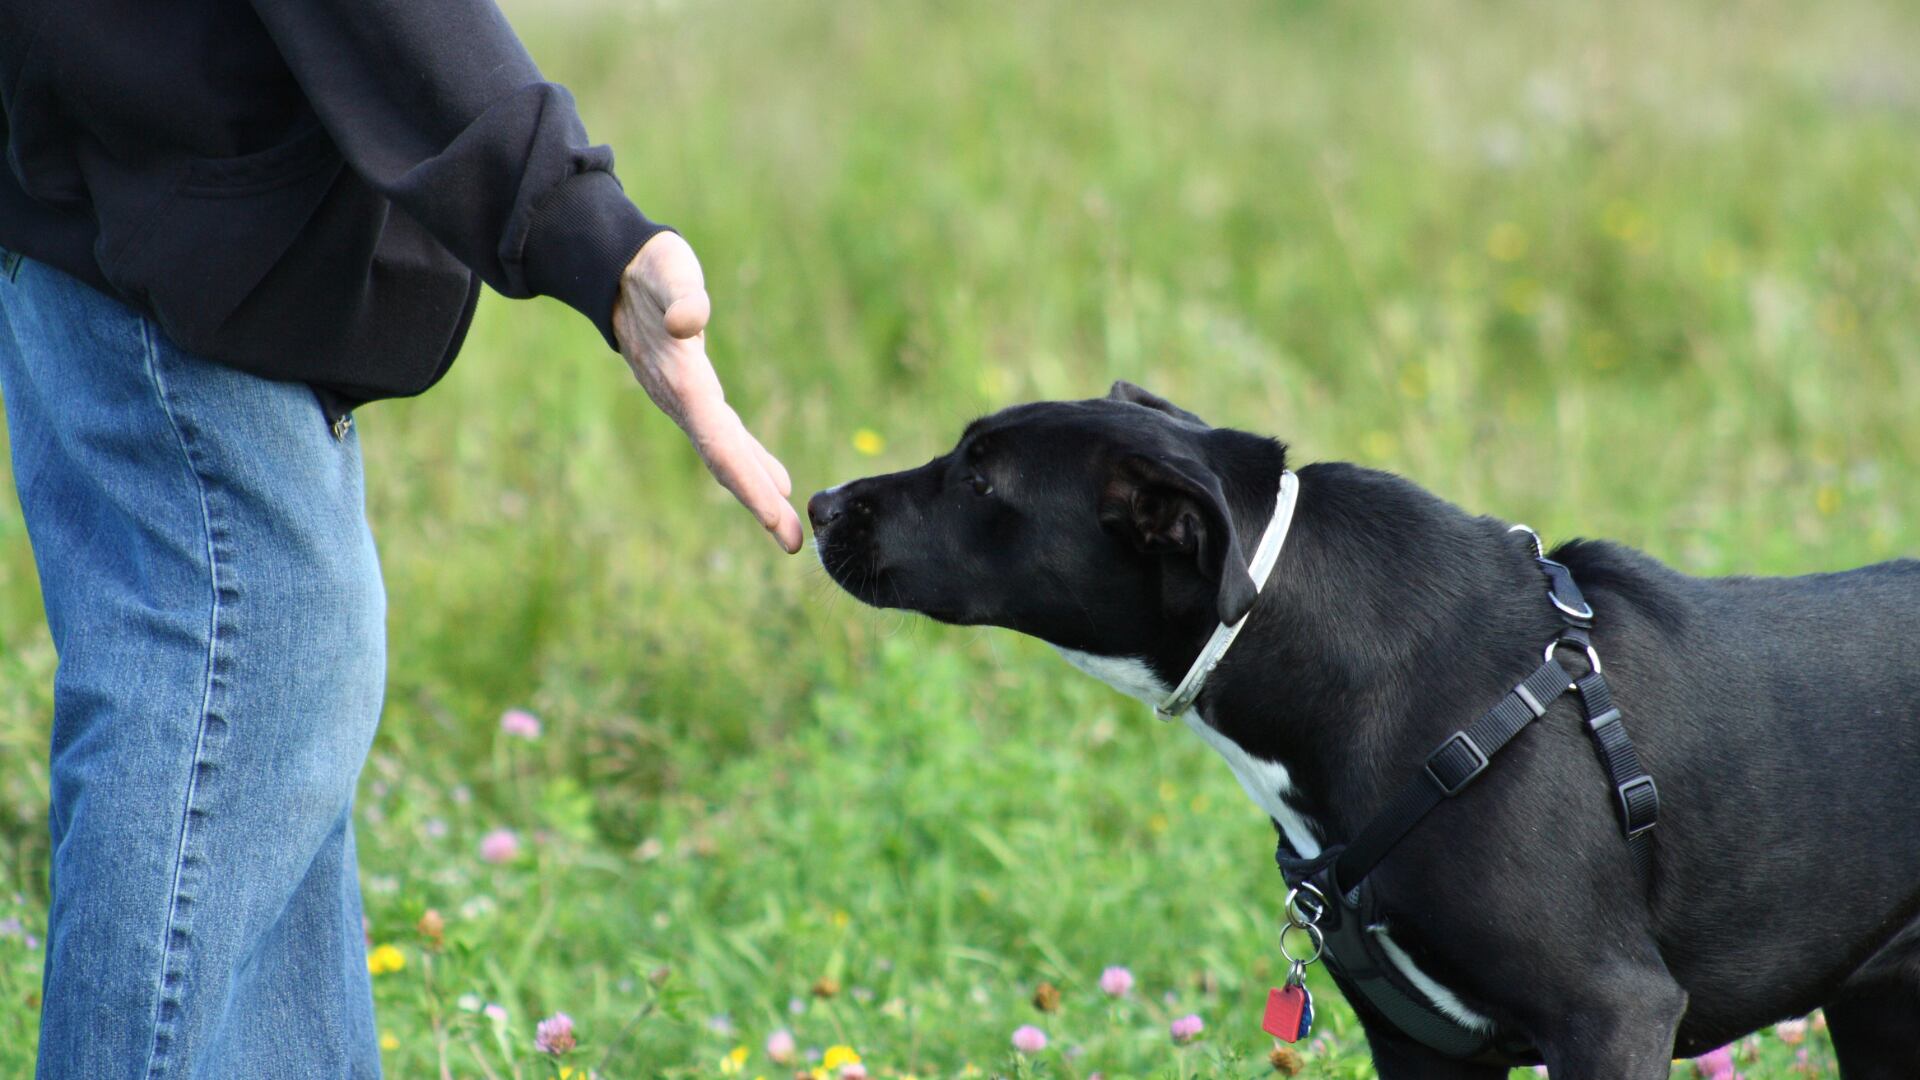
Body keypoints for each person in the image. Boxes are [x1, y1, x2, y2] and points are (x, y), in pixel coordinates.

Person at [0, 1, 801, 1075]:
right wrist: (582, 224)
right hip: (169, 275)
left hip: (95, 220)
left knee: (260, 796)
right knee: (225, 708)